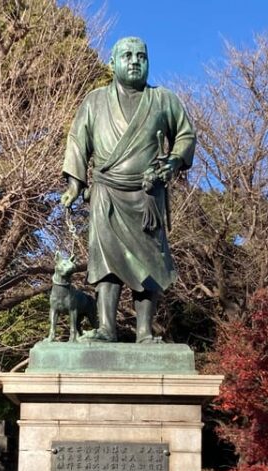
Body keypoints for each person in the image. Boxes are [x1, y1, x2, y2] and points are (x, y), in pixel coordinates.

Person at [60, 36, 196, 343]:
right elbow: (78, 141)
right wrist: (74, 185)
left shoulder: (163, 99)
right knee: (105, 260)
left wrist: (174, 161)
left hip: (147, 193)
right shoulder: (95, 101)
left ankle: (145, 331)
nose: (135, 61)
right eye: (127, 56)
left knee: (149, 262)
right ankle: (106, 327)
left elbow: (186, 135)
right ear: (112, 63)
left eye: (141, 56)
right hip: (107, 191)